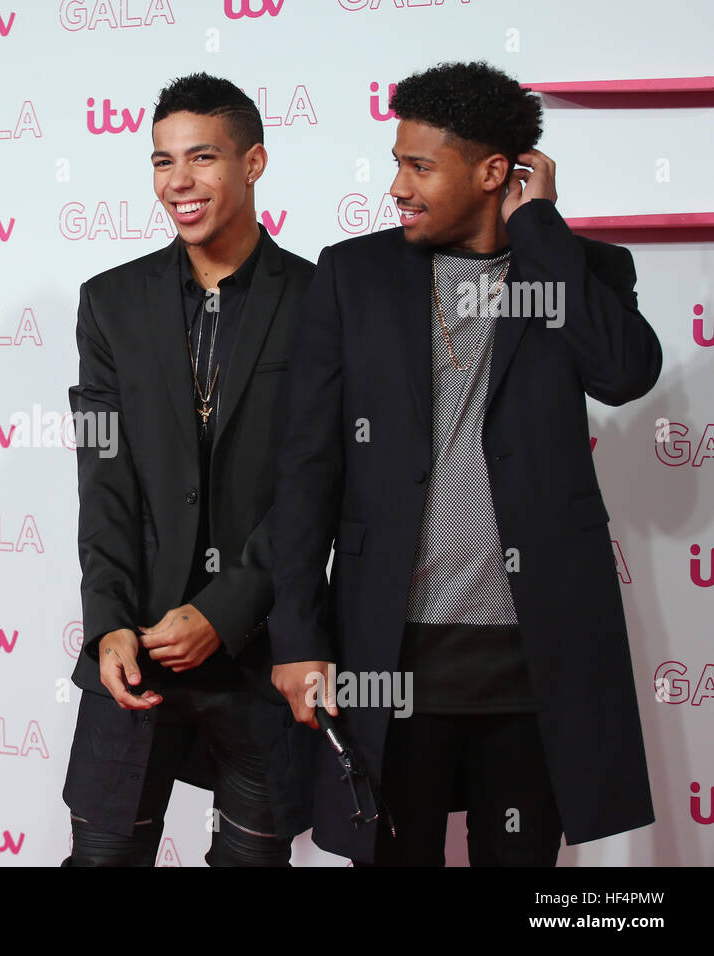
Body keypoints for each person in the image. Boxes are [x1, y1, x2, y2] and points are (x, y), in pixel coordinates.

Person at [269, 61, 660, 866]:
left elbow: (624, 375)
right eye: (397, 163)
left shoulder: (579, 270)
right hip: (392, 660)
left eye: (420, 167)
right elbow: (306, 469)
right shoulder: (354, 276)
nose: (397, 187)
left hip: (535, 665)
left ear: (492, 173)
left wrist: (541, 228)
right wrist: (297, 637)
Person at [61, 73, 316, 866]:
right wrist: (106, 622)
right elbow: (103, 477)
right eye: (162, 160)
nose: (179, 181)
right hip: (137, 642)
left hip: (261, 649)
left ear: (253, 162)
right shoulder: (110, 302)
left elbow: (318, 485)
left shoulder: (319, 300)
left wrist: (224, 609)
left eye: (202, 157)